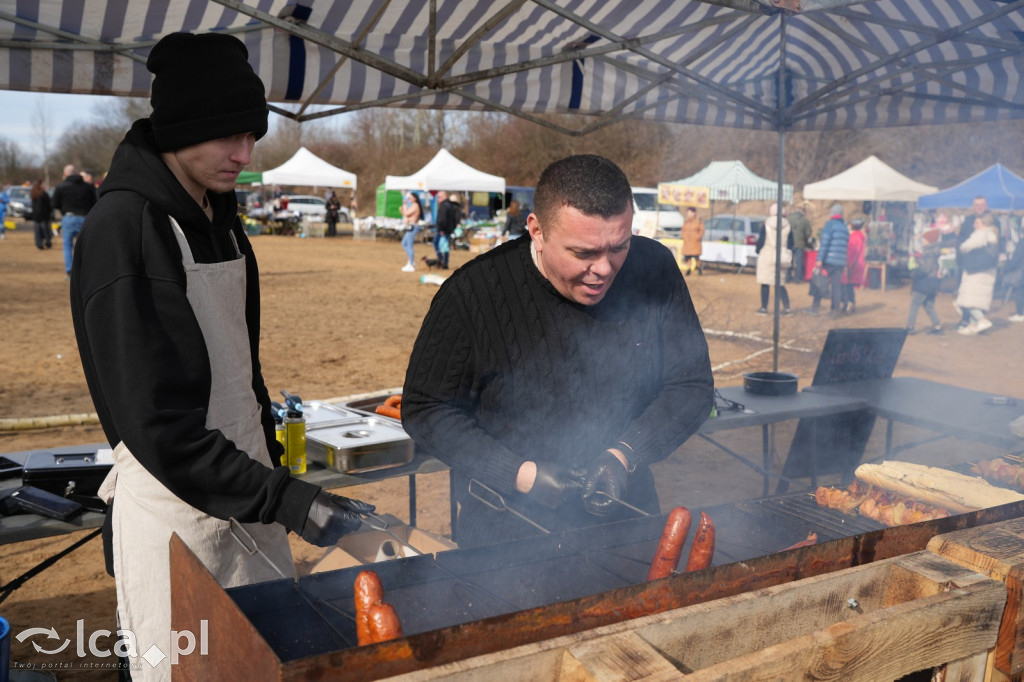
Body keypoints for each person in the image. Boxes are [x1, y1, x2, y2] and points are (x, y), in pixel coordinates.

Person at [68, 32, 373, 681]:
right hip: (176, 520)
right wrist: (290, 499)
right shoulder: (125, 229)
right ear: (178, 126)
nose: (244, 154)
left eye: (251, 135)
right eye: (226, 136)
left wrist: (274, 481)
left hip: (249, 501)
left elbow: (244, 378)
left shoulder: (222, 217)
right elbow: (159, 427)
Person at [402, 154, 714, 549]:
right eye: (583, 253)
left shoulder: (654, 269)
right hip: (506, 533)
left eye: (619, 246)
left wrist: (625, 454)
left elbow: (692, 385)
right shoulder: (473, 293)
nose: (603, 269)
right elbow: (425, 407)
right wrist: (520, 474)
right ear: (536, 230)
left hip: (627, 524)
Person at [955, 213, 1000, 335]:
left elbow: (965, 246)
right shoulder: (992, 235)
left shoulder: (982, 234)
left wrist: (962, 247)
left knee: (969, 300)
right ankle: (972, 325)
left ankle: (982, 320)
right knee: (977, 300)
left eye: (977, 223)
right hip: (987, 273)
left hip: (976, 272)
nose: (974, 225)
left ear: (984, 224)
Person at [52, 163, 98, 279]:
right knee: (85, 246)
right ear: (77, 173)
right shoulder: (88, 187)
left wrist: (63, 209)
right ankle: (86, 271)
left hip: (68, 217)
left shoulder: (61, 186)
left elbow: (54, 203)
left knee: (67, 245)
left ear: (64, 174)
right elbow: (95, 201)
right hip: (85, 218)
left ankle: (69, 271)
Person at [809, 204, 849, 317]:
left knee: (819, 281)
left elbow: (825, 243)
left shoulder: (830, 225)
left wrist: (820, 259)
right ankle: (835, 310)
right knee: (836, 285)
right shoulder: (844, 227)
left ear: (832, 213)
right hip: (840, 262)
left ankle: (815, 308)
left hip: (829, 260)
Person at [754, 203, 793, 315]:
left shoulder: (766, 223)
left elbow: (761, 240)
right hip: (781, 255)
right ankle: (787, 307)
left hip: (767, 253)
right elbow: (791, 243)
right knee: (779, 283)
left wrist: (758, 250)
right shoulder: (788, 225)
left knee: (765, 282)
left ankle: (764, 308)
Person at [905, 225, 944, 335]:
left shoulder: (928, 253)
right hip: (932, 282)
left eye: (924, 239)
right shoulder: (934, 252)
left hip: (924, 283)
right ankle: (937, 325)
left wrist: (914, 268)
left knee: (915, 304)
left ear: (929, 241)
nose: (922, 240)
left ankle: (910, 326)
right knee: (928, 305)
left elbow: (925, 269)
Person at [840, 218, 866, 314]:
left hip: (852, 266)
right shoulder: (859, 236)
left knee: (847, 286)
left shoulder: (854, 238)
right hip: (857, 265)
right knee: (849, 286)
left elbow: (851, 254)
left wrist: (847, 265)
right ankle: (849, 304)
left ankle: (849, 305)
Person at [435, 190, 460, 269]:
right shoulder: (450, 205)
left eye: (439, 197)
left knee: (437, 244)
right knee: (445, 246)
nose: (438, 199)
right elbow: (453, 219)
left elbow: (442, 220)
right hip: (448, 230)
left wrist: (441, 229)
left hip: (443, 230)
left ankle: (441, 261)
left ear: (444, 197)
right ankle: (444, 262)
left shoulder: (444, 206)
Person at [789, 203, 813, 282]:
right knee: (798, 262)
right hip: (800, 243)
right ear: (802, 211)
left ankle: (787, 278)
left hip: (789, 243)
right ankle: (797, 278)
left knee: (789, 261)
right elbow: (808, 233)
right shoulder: (805, 220)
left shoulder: (789, 218)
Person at [400, 191, 424, 272]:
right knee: (404, 243)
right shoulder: (413, 205)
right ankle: (410, 261)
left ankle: (411, 263)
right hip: (410, 227)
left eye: (410, 197)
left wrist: (405, 205)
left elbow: (406, 213)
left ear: (415, 198)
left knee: (409, 245)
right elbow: (404, 213)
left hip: (413, 227)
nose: (409, 199)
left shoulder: (415, 206)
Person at [679, 206, 705, 275]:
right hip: (687, 242)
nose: (688, 214)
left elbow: (702, 230)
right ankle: (688, 269)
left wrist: (698, 237)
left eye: (690, 212)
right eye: (688, 213)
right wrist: (684, 236)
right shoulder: (686, 221)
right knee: (688, 257)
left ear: (694, 213)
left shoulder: (698, 221)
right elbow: (683, 230)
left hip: (695, 243)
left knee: (696, 257)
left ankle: (699, 268)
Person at [30, 178, 53, 250]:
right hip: (44, 215)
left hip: (36, 215)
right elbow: (49, 204)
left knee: (38, 230)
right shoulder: (43, 193)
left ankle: (39, 243)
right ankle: (48, 242)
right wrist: (50, 212)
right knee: (46, 230)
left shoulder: (33, 193)